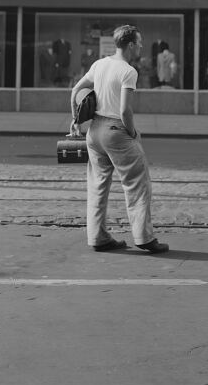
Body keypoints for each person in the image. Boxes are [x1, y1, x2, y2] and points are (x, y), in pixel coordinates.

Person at [70, 24, 169, 254]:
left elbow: (76, 89)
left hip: (94, 132)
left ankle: (98, 237)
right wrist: (132, 133)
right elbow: (125, 110)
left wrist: (75, 119)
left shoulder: (99, 64)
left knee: (97, 185)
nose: (141, 47)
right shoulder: (128, 71)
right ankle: (144, 237)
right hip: (116, 131)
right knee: (137, 182)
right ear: (131, 45)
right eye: (140, 43)